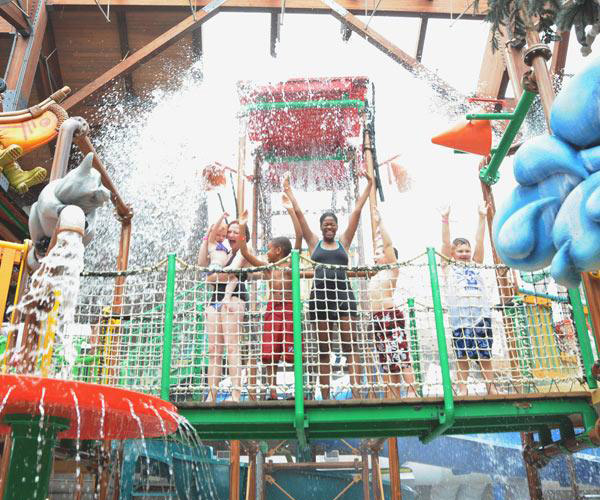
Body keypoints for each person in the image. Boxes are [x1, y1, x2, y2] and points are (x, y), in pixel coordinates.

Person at [284, 171, 374, 400]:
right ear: (321, 227)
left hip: (343, 297)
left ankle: (356, 394)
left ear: (337, 226)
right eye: (326, 224)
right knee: (324, 350)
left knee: (350, 346)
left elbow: (356, 211)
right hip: (321, 299)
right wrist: (289, 191)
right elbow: (301, 217)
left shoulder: (344, 242)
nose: (329, 227)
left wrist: (369, 184)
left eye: (332, 224)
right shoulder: (314, 243)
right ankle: (325, 397)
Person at [236, 194, 302, 400]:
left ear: (278, 250)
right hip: (273, 307)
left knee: (292, 351)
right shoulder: (268, 268)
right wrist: (242, 225)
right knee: (270, 351)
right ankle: (272, 390)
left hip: (290, 308)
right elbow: (245, 253)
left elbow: (299, 237)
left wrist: (290, 210)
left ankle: (298, 389)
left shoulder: (290, 264)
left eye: (269, 248)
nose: (267, 251)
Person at [440, 204, 497, 396]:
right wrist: (445, 219)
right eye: (460, 251)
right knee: (462, 355)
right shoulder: (449, 266)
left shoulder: (475, 263)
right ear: (453, 253)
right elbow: (445, 242)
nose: (464, 254)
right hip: (460, 318)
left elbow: (480, 242)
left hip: (480, 315)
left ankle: (491, 386)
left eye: (466, 250)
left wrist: (482, 217)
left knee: (485, 354)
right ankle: (462, 387)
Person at [198, 217, 250, 403]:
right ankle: (211, 395)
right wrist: (207, 238)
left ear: (243, 236)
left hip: (234, 297)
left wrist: (211, 277)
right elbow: (203, 265)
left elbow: (227, 274)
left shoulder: (245, 251)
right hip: (216, 299)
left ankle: (236, 395)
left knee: (232, 346)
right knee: (214, 350)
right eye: (230, 231)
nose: (231, 234)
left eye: (236, 232)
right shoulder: (224, 251)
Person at [368, 209, 416, 398]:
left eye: (379, 253)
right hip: (377, 318)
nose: (375, 256)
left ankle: (412, 390)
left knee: (400, 354)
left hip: (390, 315)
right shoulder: (375, 275)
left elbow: (388, 245)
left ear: (389, 257)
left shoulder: (391, 271)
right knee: (386, 359)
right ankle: (392, 393)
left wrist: (381, 223)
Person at [198, 212, 239, 307]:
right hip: (215, 268)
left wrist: (231, 254)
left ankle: (226, 297)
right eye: (218, 235)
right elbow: (214, 229)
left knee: (233, 279)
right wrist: (221, 218)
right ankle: (226, 298)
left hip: (221, 268)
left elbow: (226, 259)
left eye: (223, 236)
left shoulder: (224, 248)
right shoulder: (212, 243)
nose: (221, 238)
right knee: (234, 278)